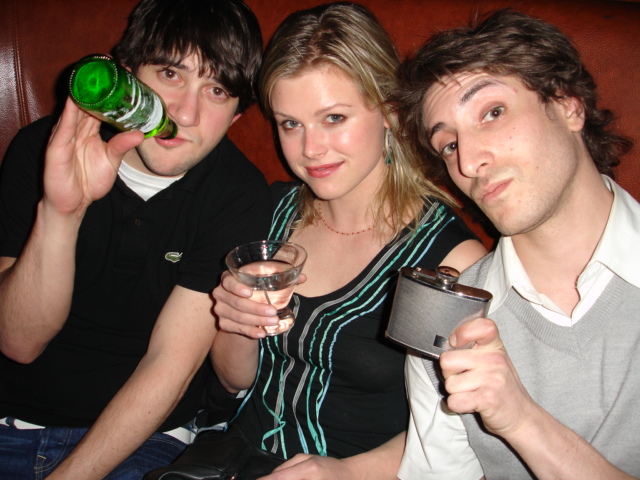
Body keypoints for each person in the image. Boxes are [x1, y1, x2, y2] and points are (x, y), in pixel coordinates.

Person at [209, 3, 487, 479]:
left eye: (334, 118)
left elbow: (455, 428)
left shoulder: (446, 263)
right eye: (290, 124)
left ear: (390, 112)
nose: (310, 149)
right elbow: (235, 378)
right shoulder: (270, 213)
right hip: (230, 458)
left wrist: (347, 473)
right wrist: (236, 322)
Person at [0, 0, 271, 478]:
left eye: (216, 90)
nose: (185, 113)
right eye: (169, 74)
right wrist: (62, 214)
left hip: (143, 439)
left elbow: (170, 364)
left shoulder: (237, 194)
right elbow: (18, 342)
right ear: (127, 75)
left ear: (234, 117)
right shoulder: (44, 150)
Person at [394, 8, 639, 479]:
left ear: (568, 105)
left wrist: (522, 420)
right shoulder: (444, 320)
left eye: (492, 113)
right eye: (449, 145)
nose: (469, 162)